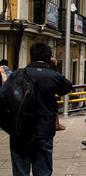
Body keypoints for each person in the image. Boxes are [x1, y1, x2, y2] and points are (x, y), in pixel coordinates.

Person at [8, 43, 72, 176]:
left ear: (31, 57)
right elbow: (66, 87)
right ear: (49, 58)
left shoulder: (17, 75)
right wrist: (53, 68)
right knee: (43, 171)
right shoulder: (53, 76)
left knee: (20, 170)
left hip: (20, 131)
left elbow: (2, 97)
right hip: (44, 131)